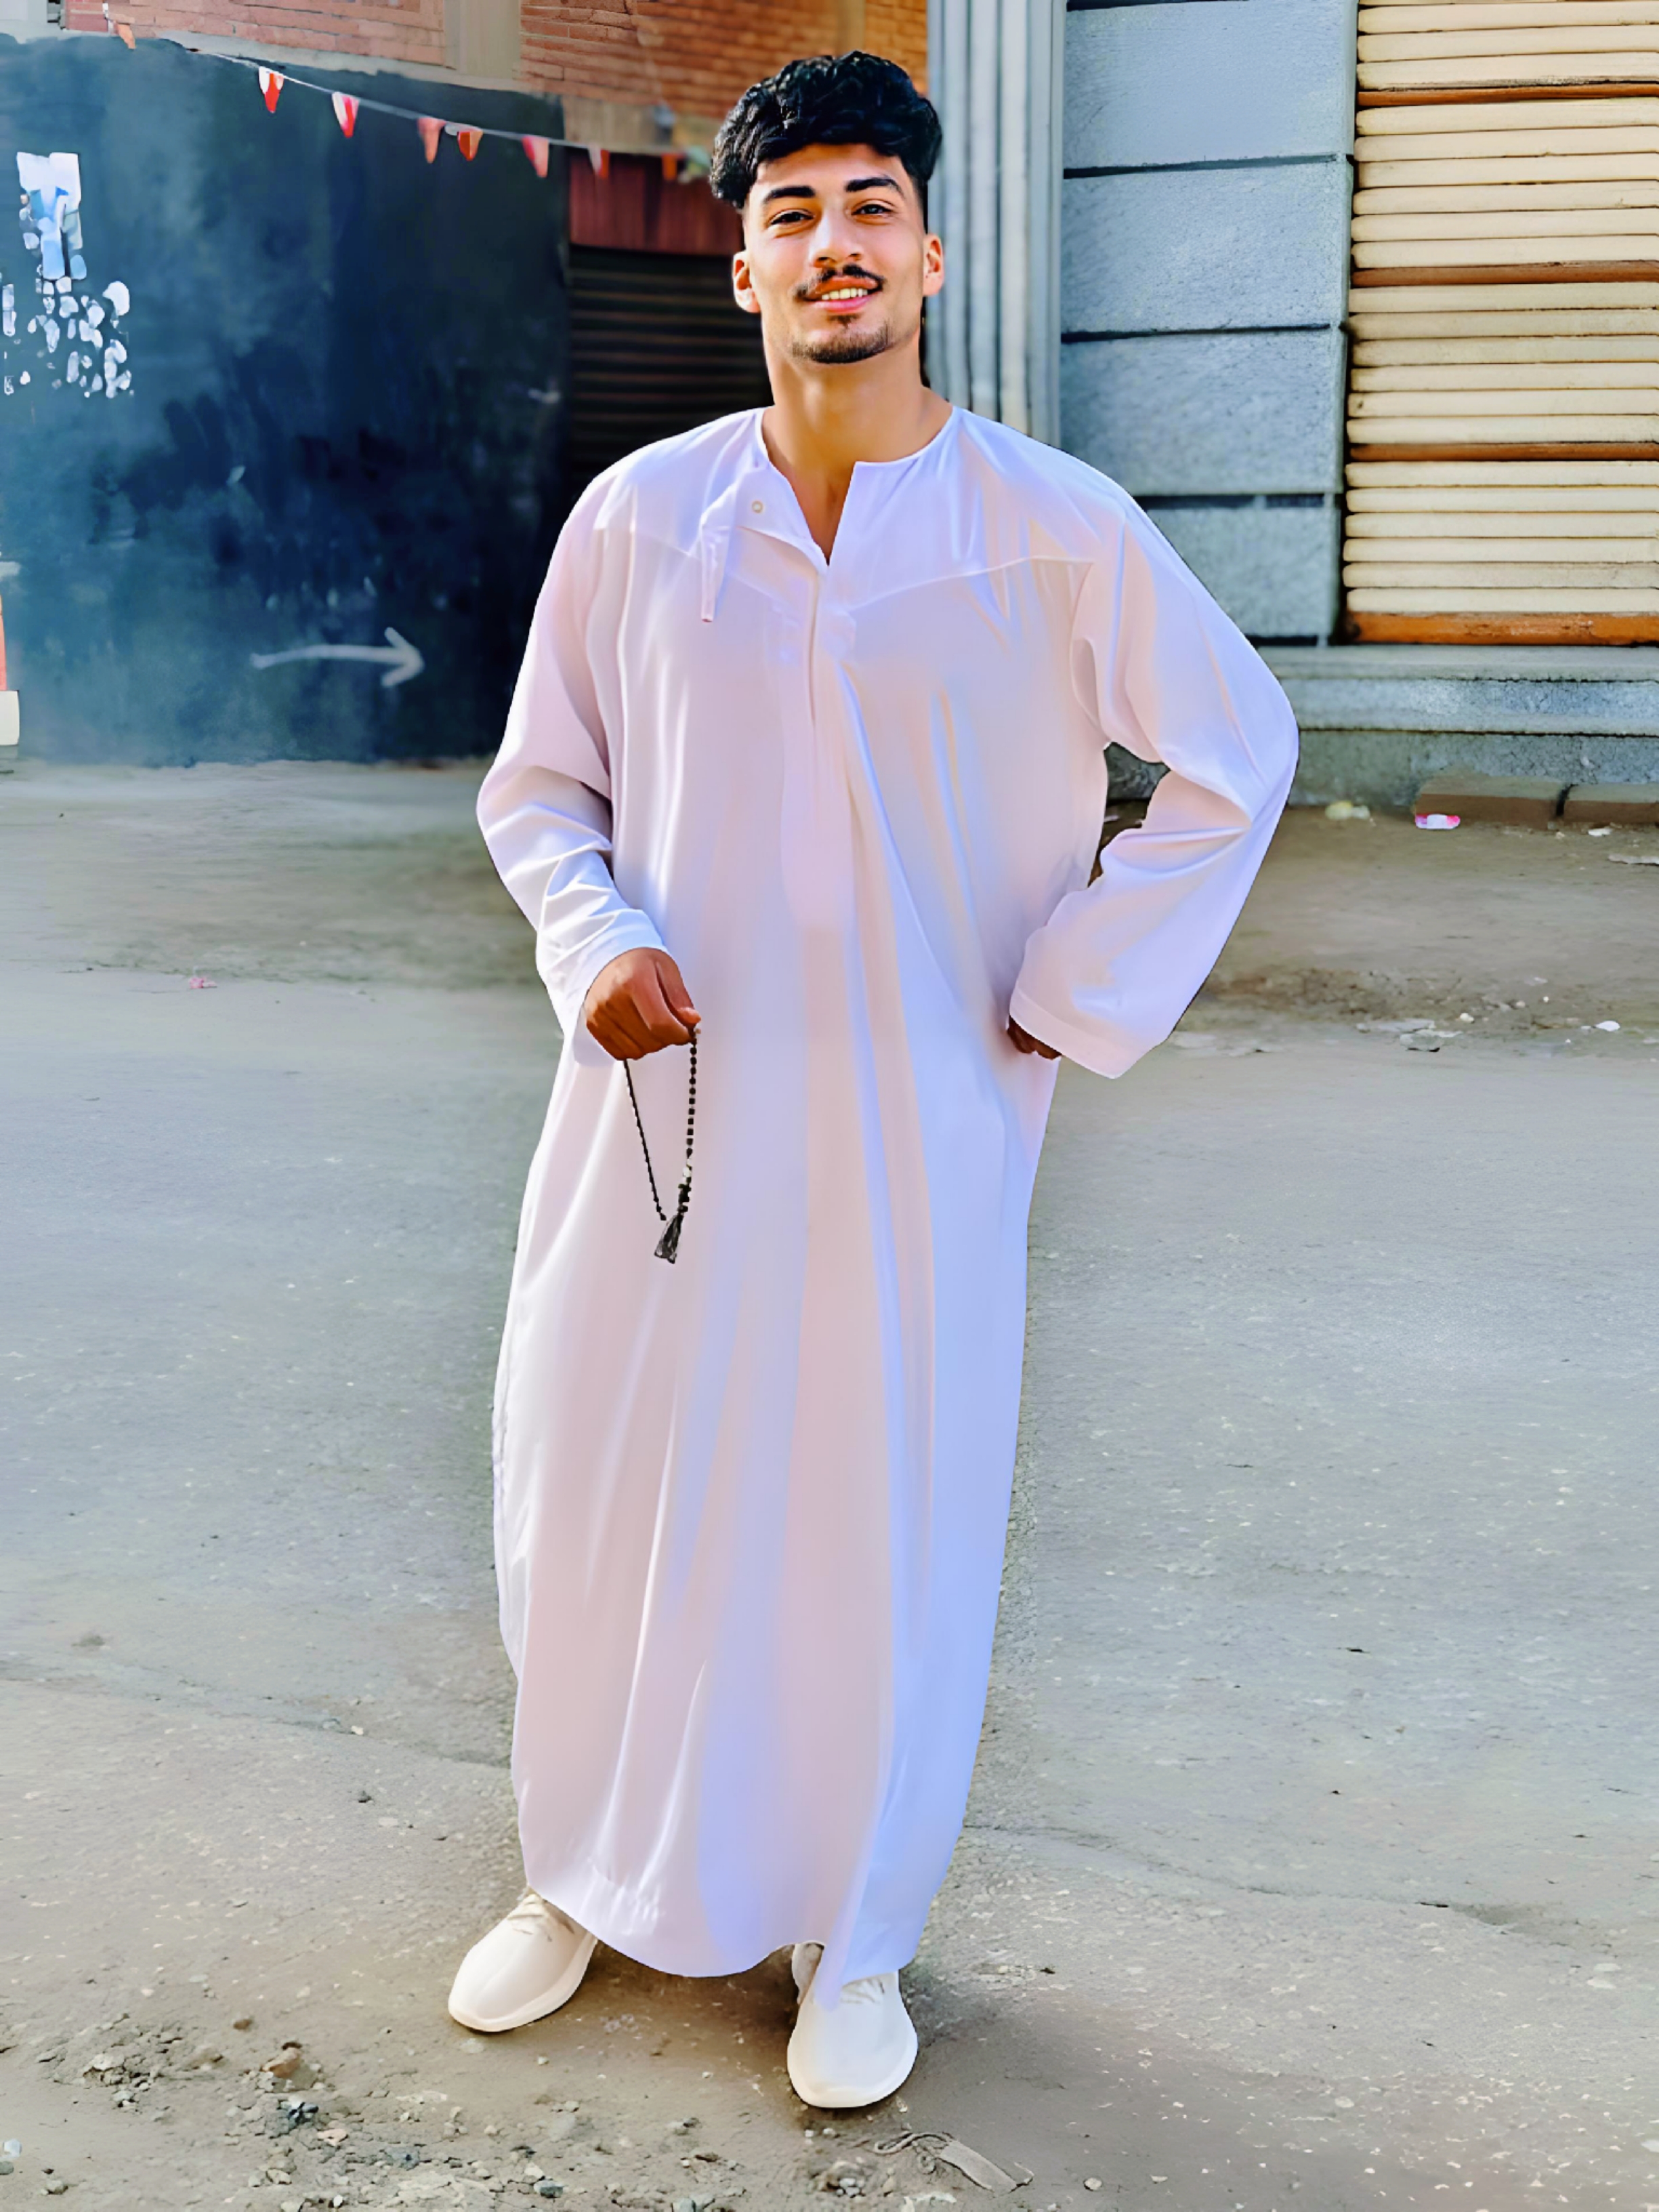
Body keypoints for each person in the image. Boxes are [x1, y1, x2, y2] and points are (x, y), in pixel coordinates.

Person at [453, 49, 1298, 2109]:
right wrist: (592, 939)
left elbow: (1235, 754)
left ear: (930, 253)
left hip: (921, 1123)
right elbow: (540, 789)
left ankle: (855, 1930)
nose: (833, 244)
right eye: (790, 214)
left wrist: (1069, 986)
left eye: (868, 207)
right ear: (743, 269)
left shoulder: (1049, 530)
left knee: (875, 1514)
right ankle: (581, 1868)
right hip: (661, 1111)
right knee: (593, 1475)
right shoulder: (643, 522)